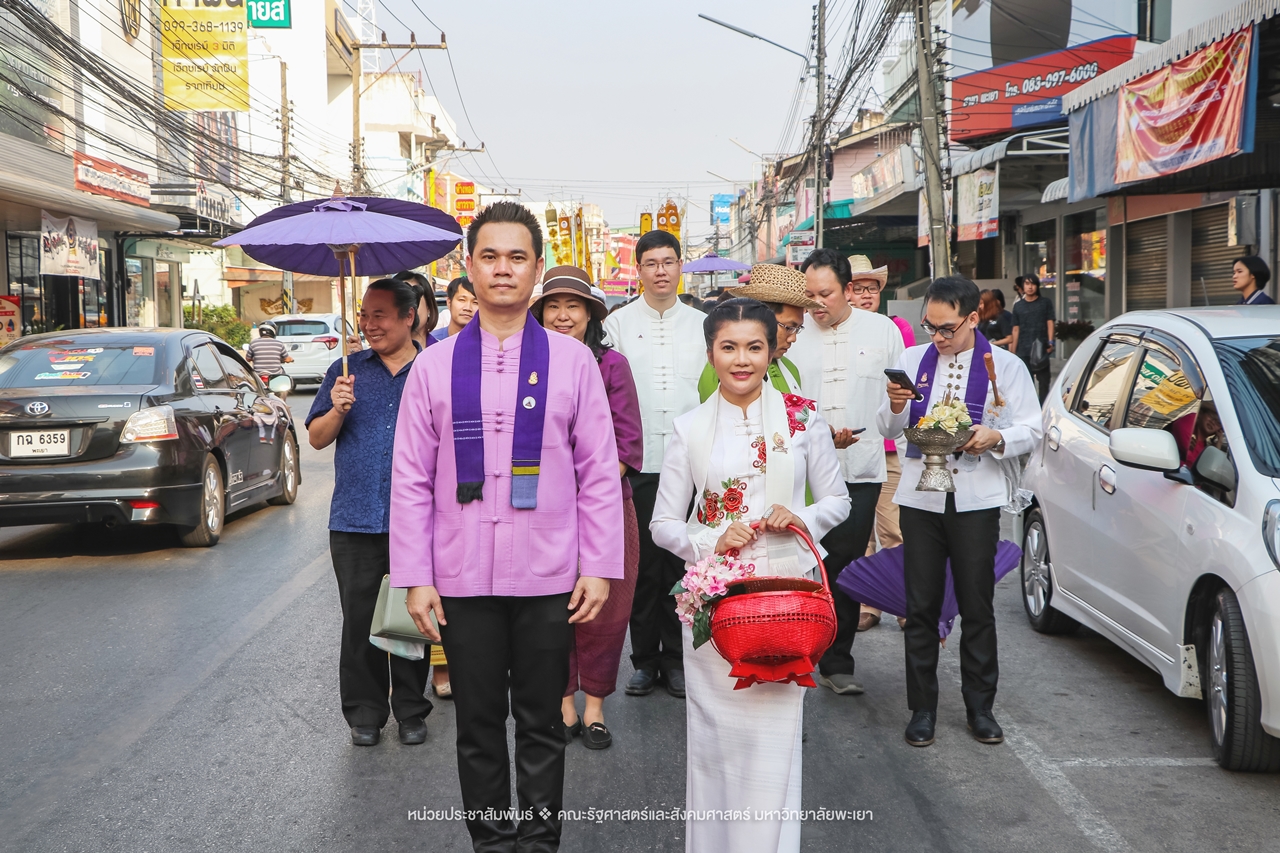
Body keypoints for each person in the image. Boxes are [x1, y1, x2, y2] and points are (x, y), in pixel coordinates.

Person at [390, 202, 624, 851]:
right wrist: (415, 576)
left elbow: (599, 470)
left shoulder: (573, 362)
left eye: (516, 256)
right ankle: (492, 843)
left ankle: (540, 843)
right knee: (478, 725)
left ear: (537, 270)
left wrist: (598, 564)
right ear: (468, 267)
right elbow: (409, 477)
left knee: (544, 722)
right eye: (489, 256)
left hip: (550, 574)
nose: (502, 269)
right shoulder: (433, 366)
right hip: (461, 578)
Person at [651, 298, 850, 853]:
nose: (742, 359)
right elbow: (663, 522)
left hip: (787, 602)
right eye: (728, 347)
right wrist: (712, 539)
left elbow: (838, 500)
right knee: (715, 744)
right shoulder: (688, 428)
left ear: (772, 350)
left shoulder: (802, 418)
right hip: (716, 603)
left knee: (773, 744)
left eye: (754, 347)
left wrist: (801, 517)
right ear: (710, 352)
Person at [877, 275, 1042, 749]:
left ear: (973, 318)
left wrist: (998, 438)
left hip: (976, 497)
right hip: (921, 498)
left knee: (977, 605)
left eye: (946, 328)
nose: (938, 338)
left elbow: (1032, 426)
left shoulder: (1004, 366)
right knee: (921, 606)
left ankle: (980, 707)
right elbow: (888, 425)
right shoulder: (911, 360)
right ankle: (922, 708)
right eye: (930, 327)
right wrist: (892, 406)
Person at [305, 278, 433, 747]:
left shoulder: (433, 370)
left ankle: (412, 709)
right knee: (359, 619)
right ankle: (365, 712)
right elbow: (317, 437)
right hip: (355, 518)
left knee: (412, 616)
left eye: (380, 314)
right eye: (364, 315)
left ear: (409, 316)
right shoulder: (346, 371)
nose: (369, 324)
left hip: (418, 519)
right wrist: (337, 409)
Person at [532, 267, 644, 751]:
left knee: (606, 609)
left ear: (589, 315)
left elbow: (627, 443)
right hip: (540, 511)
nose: (562, 315)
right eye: (552, 306)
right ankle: (563, 702)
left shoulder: (611, 365)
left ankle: (595, 706)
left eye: (572, 306)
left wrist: (585, 492)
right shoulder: (527, 364)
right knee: (552, 609)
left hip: (605, 507)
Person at [789, 250, 904, 695]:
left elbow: (896, 410)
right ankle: (793, 648)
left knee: (845, 564)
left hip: (861, 467)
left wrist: (892, 416)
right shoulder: (794, 334)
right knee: (801, 562)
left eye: (827, 294)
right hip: (804, 470)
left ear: (848, 290)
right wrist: (817, 436)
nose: (817, 304)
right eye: (810, 295)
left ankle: (838, 661)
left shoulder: (883, 331)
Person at [603, 230, 706, 699]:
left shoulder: (705, 323)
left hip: (692, 462)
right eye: (651, 263)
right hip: (639, 463)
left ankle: (679, 659)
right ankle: (643, 660)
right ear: (638, 270)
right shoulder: (618, 325)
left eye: (669, 261)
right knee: (643, 567)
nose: (661, 271)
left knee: (683, 565)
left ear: (681, 265)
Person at [844, 261, 916, 632]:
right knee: (859, 535)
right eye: (858, 287)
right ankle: (868, 603)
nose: (866, 294)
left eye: (872, 287)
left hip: (888, 446)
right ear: (846, 291)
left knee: (893, 528)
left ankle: (901, 600)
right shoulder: (830, 333)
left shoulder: (895, 329)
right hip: (846, 446)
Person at [696, 263, 820, 400]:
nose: (793, 338)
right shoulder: (722, 371)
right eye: (789, 328)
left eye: (797, 329)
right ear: (765, 319)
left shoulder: (790, 369)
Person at [1010, 273, 1055, 403]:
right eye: (1027, 284)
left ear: (1037, 286)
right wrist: (1013, 351)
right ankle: (1030, 408)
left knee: (1044, 382)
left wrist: (1051, 342)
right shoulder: (1018, 306)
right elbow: (1015, 329)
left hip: (1041, 346)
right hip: (1023, 348)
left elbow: (1050, 322)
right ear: (1023, 286)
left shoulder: (1045, 302)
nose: (1030, 287)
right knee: (1026, 382)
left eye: (1033, 284)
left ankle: (1043, 407)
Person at [395, 270, 442, 351]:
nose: (407, 309)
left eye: (412, 301)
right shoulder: (376, 358)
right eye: (399, 302)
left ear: (429, 307)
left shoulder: (443, 353)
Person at [246, 321, 293, 399]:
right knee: (284, 387)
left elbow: (248, 358)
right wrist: (290, 359)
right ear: (273, 331)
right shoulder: (279, 344)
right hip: (275, 375)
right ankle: (282, 403)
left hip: (258, 375)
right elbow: (286, 359)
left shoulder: (253, 343)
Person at [432, 275, 478, 341]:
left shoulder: (488, 344)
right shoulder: (432, 341)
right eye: (462, 300)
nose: (468, 308)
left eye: (475, 302)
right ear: (449, 303)